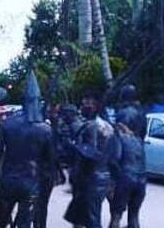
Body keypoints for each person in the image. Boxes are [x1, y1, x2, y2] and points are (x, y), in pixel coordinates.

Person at [0, 72, 57, 228]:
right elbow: (50, 163)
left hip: (8, 180)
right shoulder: (45, 129)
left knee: (0, 222)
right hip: (31, 183)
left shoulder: (7, 123)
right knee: (24, 223)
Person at [63, 93, 113, 228]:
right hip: (101, 176)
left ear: (94, 107)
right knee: (79, 216)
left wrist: (73, 147)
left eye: (86, 104)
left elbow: (90, 153)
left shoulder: (91, 126)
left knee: (91, 218)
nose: (82, 107)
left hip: (90, 178)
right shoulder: (106, 126)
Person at [107, 122, 146, 228]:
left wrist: (113, 180)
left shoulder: (117, 138)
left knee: (116, 214)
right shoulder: (138, 139)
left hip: (125, 178)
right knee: (134, 215)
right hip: (141, 180)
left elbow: (114, 159)